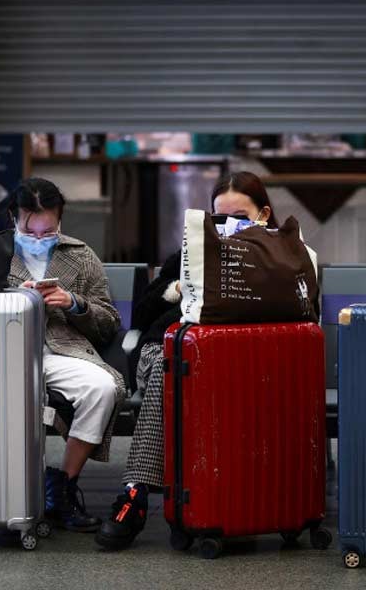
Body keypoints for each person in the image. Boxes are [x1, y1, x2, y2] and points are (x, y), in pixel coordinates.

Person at [95, 171, 277, 549]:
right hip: (167, 350)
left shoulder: (283, 259)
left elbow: (303, 311)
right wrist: (180, 287)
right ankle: (136, 493)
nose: (227, 226)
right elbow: (142, 314)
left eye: (239, 216)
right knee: (172, 367)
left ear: (263, 215)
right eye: (218, 218)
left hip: (236, 362)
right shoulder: (188, 253)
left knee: (181, 370)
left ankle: (147, 495)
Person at [7, 177, 126, 533]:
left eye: (49, 232)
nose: (40, 240)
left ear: (60, 220)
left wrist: (75, 304)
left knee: (103, 388)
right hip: (4, 353)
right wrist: (13, 300)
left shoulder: (80, 256)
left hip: (61, 352)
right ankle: (5, 494)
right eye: (32, 232)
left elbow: (109, 323)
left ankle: (61, 487)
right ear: (15, 216)